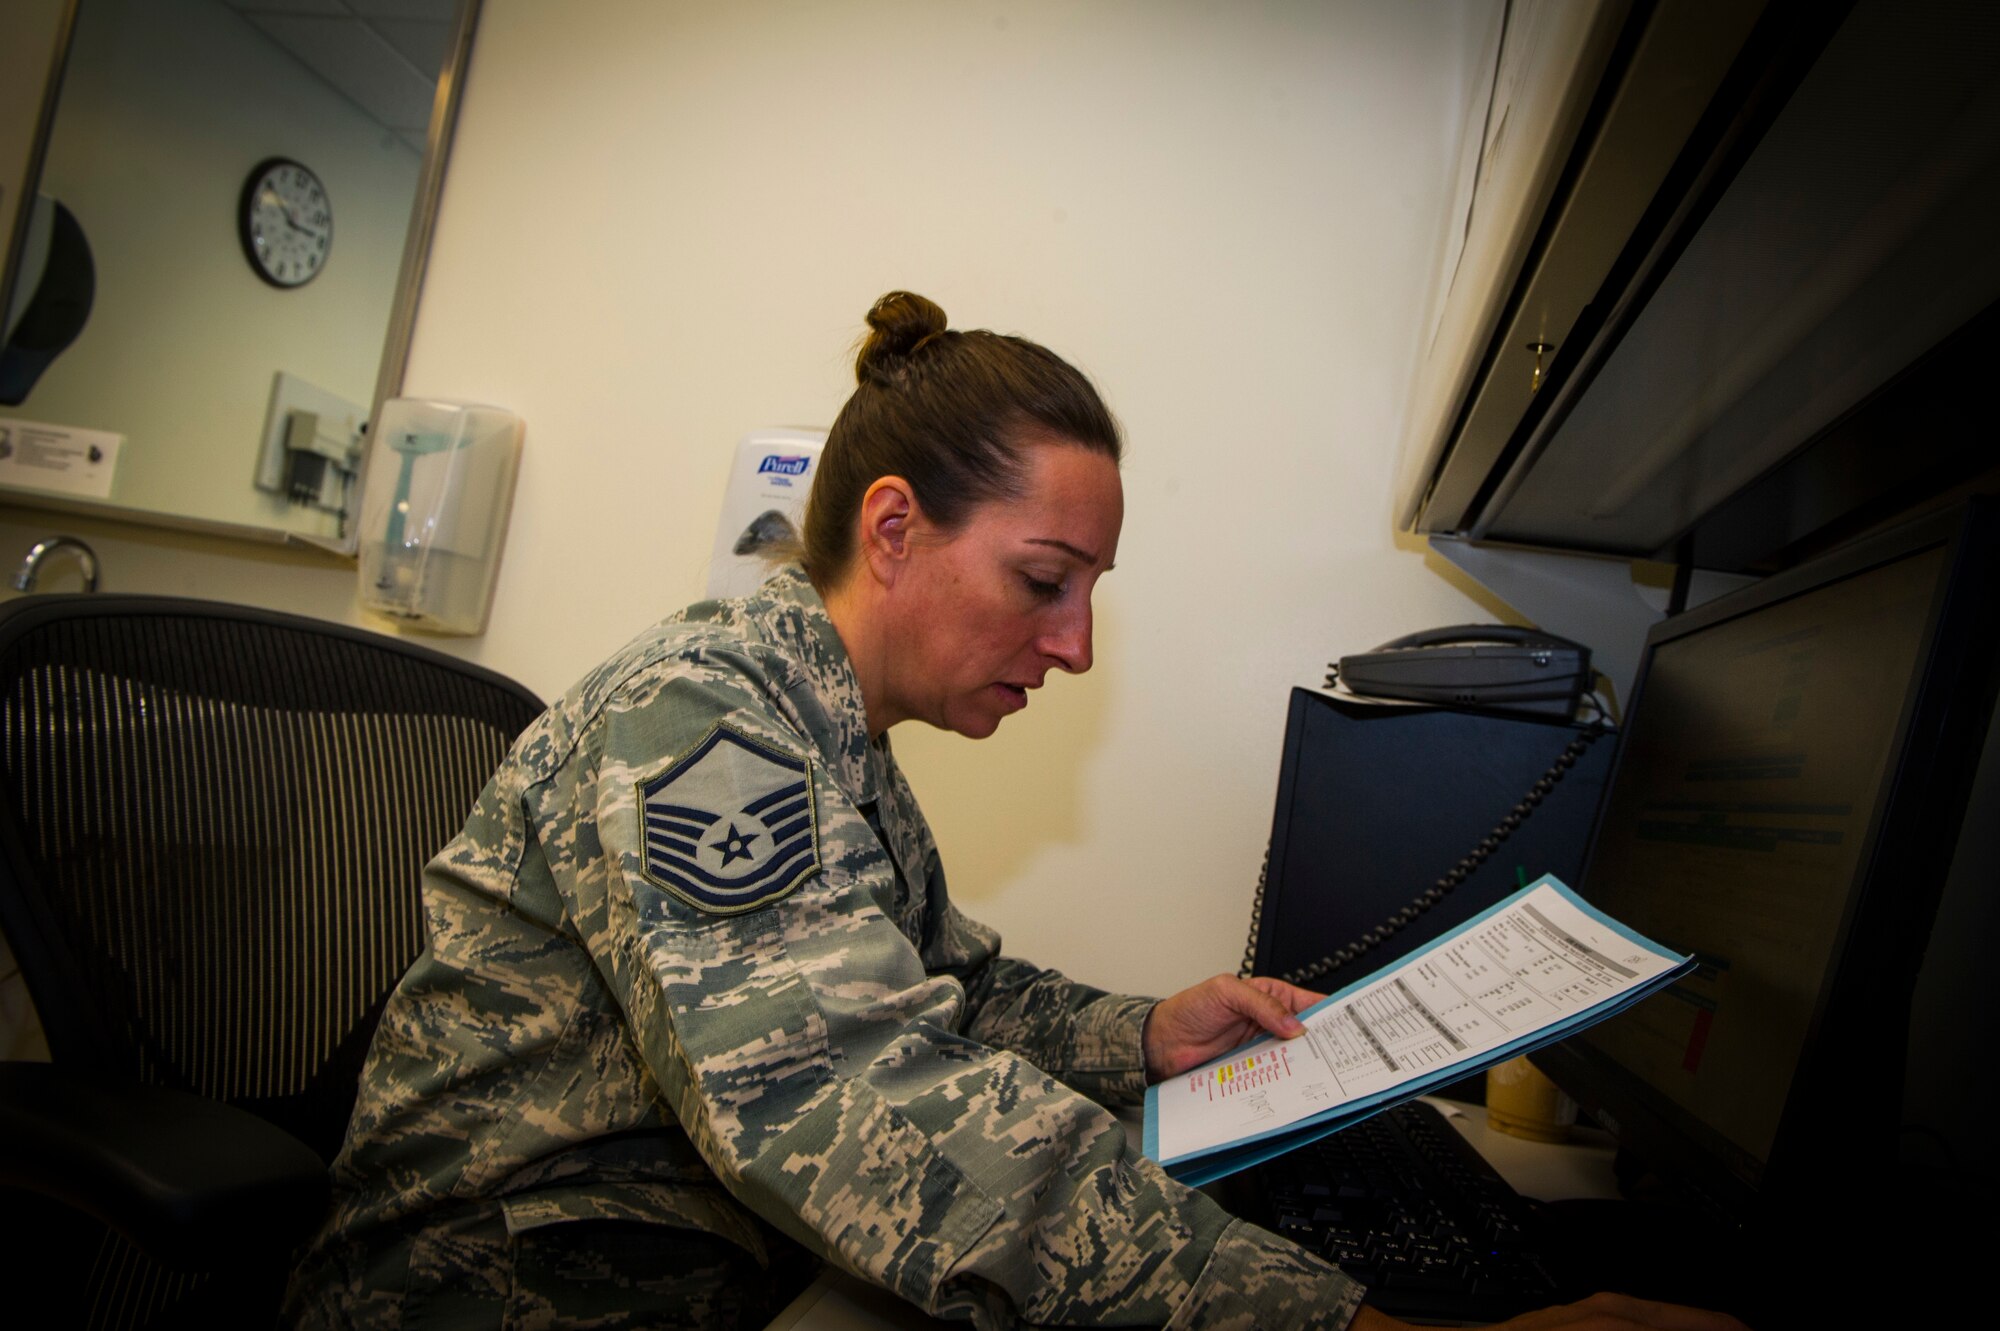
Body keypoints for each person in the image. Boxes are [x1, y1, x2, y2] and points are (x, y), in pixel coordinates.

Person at [287, 292, 1745, 1331]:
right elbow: (844, 1096)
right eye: (1045, 582)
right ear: (897, 529)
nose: (1076, 643)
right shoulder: (707, 716)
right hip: (501, 1294)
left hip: (712, 1270)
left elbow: (950, 996)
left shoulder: (833, 732)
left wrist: (1148, 1033)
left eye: (1091, 594)